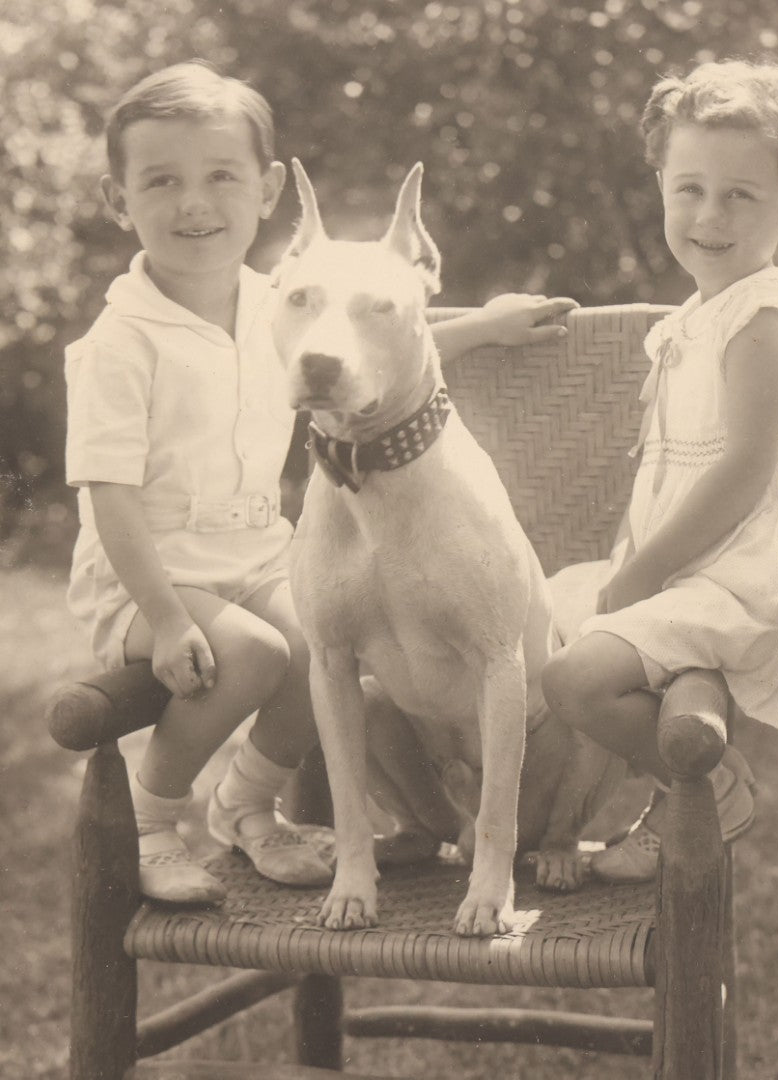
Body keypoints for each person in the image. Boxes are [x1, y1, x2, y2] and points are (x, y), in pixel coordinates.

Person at [65, 60, 576, 905]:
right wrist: (160, 615)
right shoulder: (120, 342)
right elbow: (106, 494)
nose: (195, 203)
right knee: (266, 649)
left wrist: (481, 324)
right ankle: (156, 820)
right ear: (120, 203)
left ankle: (244, 806)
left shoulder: (280, 302)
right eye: (162, 181)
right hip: (149, 575)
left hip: (253, 557)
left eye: (220, 176)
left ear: (266, 192)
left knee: (315, 646)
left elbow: (377, 337)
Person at [541, 58, 778, 883]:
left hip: (745, 573)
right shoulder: (698, 316)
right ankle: (531, 818)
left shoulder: (763, 318)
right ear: (659, 183)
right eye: (688, 189)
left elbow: (743, 472)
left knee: (577, 678)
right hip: (693, 563)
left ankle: (711, 790)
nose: (708, 215)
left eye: (740, 196)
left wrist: (646, 571)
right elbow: (663, 468)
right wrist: (633, 560)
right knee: (539, 615)